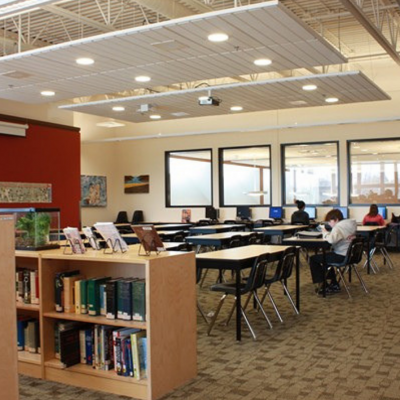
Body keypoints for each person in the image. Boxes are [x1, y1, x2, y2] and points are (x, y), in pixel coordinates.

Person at [309, 209, 357, 295]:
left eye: (330, 221)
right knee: (326, 258)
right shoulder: (349, 225)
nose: (329, 223)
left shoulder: (338, 227)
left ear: (336, 220)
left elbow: (331, 240)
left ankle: (323, 285)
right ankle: (333, 283)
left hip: (341, 256)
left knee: (313, 259)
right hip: (349, 255)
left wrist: (325, 232)